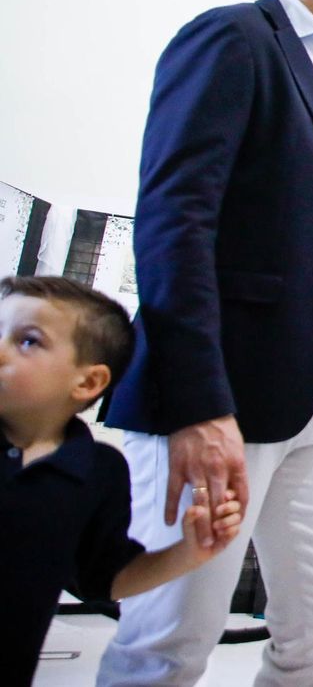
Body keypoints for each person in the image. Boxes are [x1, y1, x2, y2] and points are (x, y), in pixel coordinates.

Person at [99, 0, 313, 686]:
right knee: (169, 643)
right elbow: (175, 220)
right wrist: (198, 402)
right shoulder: (232, 39)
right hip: (222, 383)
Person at [0, 276, 243, 685]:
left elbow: (108, 578)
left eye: (27, 341)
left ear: (88, 382)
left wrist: (188, 552)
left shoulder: (97, 471)